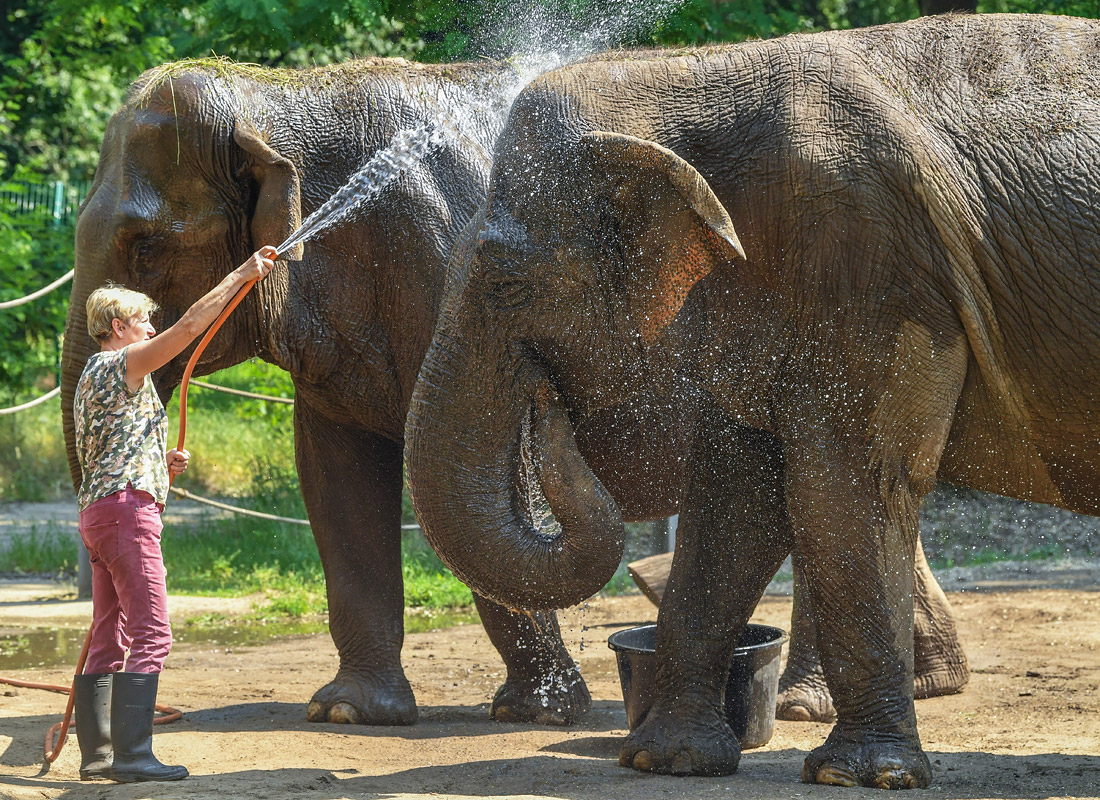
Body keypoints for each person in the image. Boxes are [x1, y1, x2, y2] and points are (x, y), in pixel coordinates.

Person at [71, 246, 277, 783]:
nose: (150, 327)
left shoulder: (92, 374)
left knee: (108, 635)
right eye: (142, 320)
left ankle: (97, 756)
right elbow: (188, 328)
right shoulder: (123, 361)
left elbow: (108, 446)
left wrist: (160, 465)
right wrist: (243, 273)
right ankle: (134, 757)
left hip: (99, 513)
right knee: (153, 634)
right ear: (118, 326)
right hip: (126, 515)